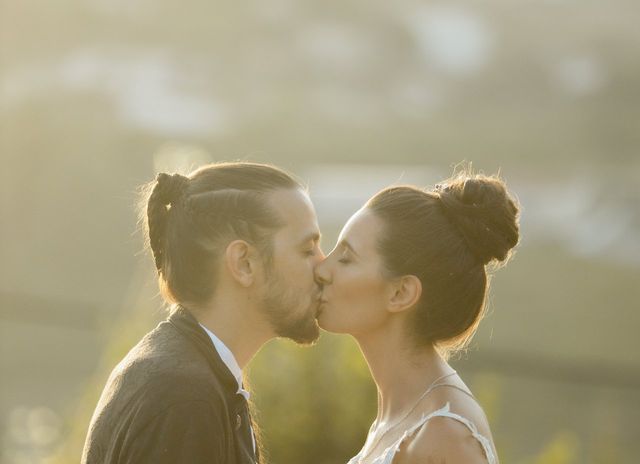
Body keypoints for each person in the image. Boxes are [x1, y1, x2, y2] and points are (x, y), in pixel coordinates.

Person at [82, 162, 324, 464]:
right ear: (244, 263)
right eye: (307, 250)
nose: (324, 267)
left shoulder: (190, 374)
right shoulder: (184, 398)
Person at [315, 171, 520, 464]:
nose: (322, 269)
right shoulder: (400, 415)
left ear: (400, 292)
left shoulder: (445, 435)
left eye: (346, 258)